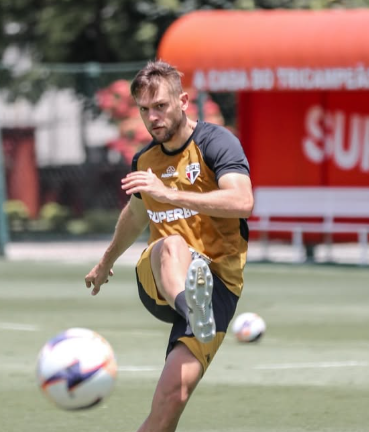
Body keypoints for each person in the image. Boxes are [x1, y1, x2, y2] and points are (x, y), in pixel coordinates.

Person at [84, 60, 254, 432]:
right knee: (173, 245)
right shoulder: (145, 160)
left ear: (183, 102)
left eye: (160, 106)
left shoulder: (216, 143)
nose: (152, 117)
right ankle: (192, 310)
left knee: (169, 404)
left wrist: (170, 194)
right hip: (163, 279)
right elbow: (135, 215)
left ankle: (196, 312)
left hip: (218, 285)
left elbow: (242, 202)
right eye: (144, 109)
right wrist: (106, 261)